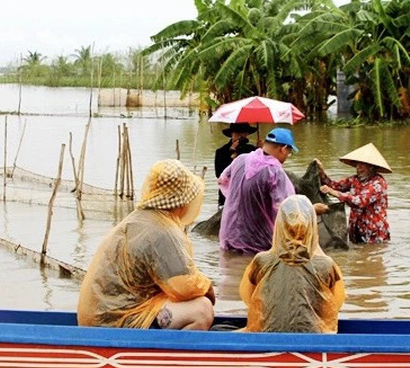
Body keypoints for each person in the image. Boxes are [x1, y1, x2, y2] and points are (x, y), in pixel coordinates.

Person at [77, 159, 214, 330]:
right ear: (182, 201)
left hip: (96, 318)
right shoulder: (162, 230)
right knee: (202, 310)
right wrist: (208, 289)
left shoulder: (137, 219)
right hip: (115, 322)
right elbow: (185, 287)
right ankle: (170, 356)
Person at [239, 195, 346, 333]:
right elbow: (336, 303)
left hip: (267, 334)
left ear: (279, 226)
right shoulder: (326, 264)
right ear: (313, 227)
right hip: (315, 337)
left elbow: (248, 298)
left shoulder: (261, 261)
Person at [218, 127, 299, 255]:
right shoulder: (275, 172)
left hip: (229, 234)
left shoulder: (240, 159)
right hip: (258, 241)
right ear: (283, 149)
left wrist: (241, 197)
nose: (287, 156)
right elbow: (289, 208)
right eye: (289, 152)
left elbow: (222, 180)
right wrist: (313, 210)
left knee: (231, 271)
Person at [317, 142, 391, 244]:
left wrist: (335, 193)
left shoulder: (378, 183)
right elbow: (334, 186)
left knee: (372, 256)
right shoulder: (354, 180)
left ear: (371, 167)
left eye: (362, 164)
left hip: (374, 234)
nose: (358, 167)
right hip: (356, 230)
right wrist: (321, 173)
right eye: (357, 164)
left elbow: (360, 201)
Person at [214, 123, 258, 207]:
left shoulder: (252, 150)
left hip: (248, 195)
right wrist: (232, 155)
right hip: (227, 196)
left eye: (243, 133)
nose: (241, 136)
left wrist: (263, 151)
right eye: (237, 133)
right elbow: (219, 174)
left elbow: (259, 171)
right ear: (231, 134)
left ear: (247, 134)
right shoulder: (221, 152)